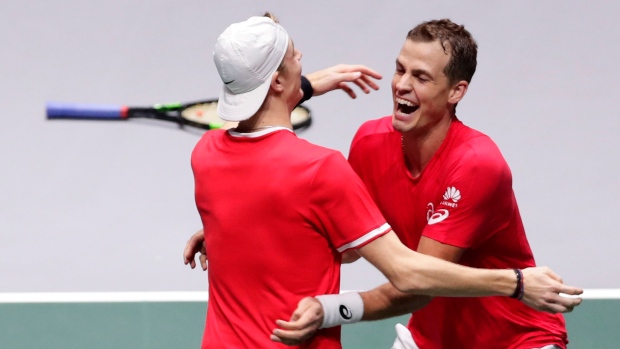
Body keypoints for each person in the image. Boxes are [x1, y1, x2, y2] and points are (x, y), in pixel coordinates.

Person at [186, 14, 582, 349]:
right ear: (278, 81)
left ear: (456, 91)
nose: (402, 85)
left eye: (420, 77)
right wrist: (243, 226)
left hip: (515, 338)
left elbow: (411, 282)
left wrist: (239, 224)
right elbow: (359, 248)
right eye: (399, 69)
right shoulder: (365, 146)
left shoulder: (477, 164)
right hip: (431, 334)